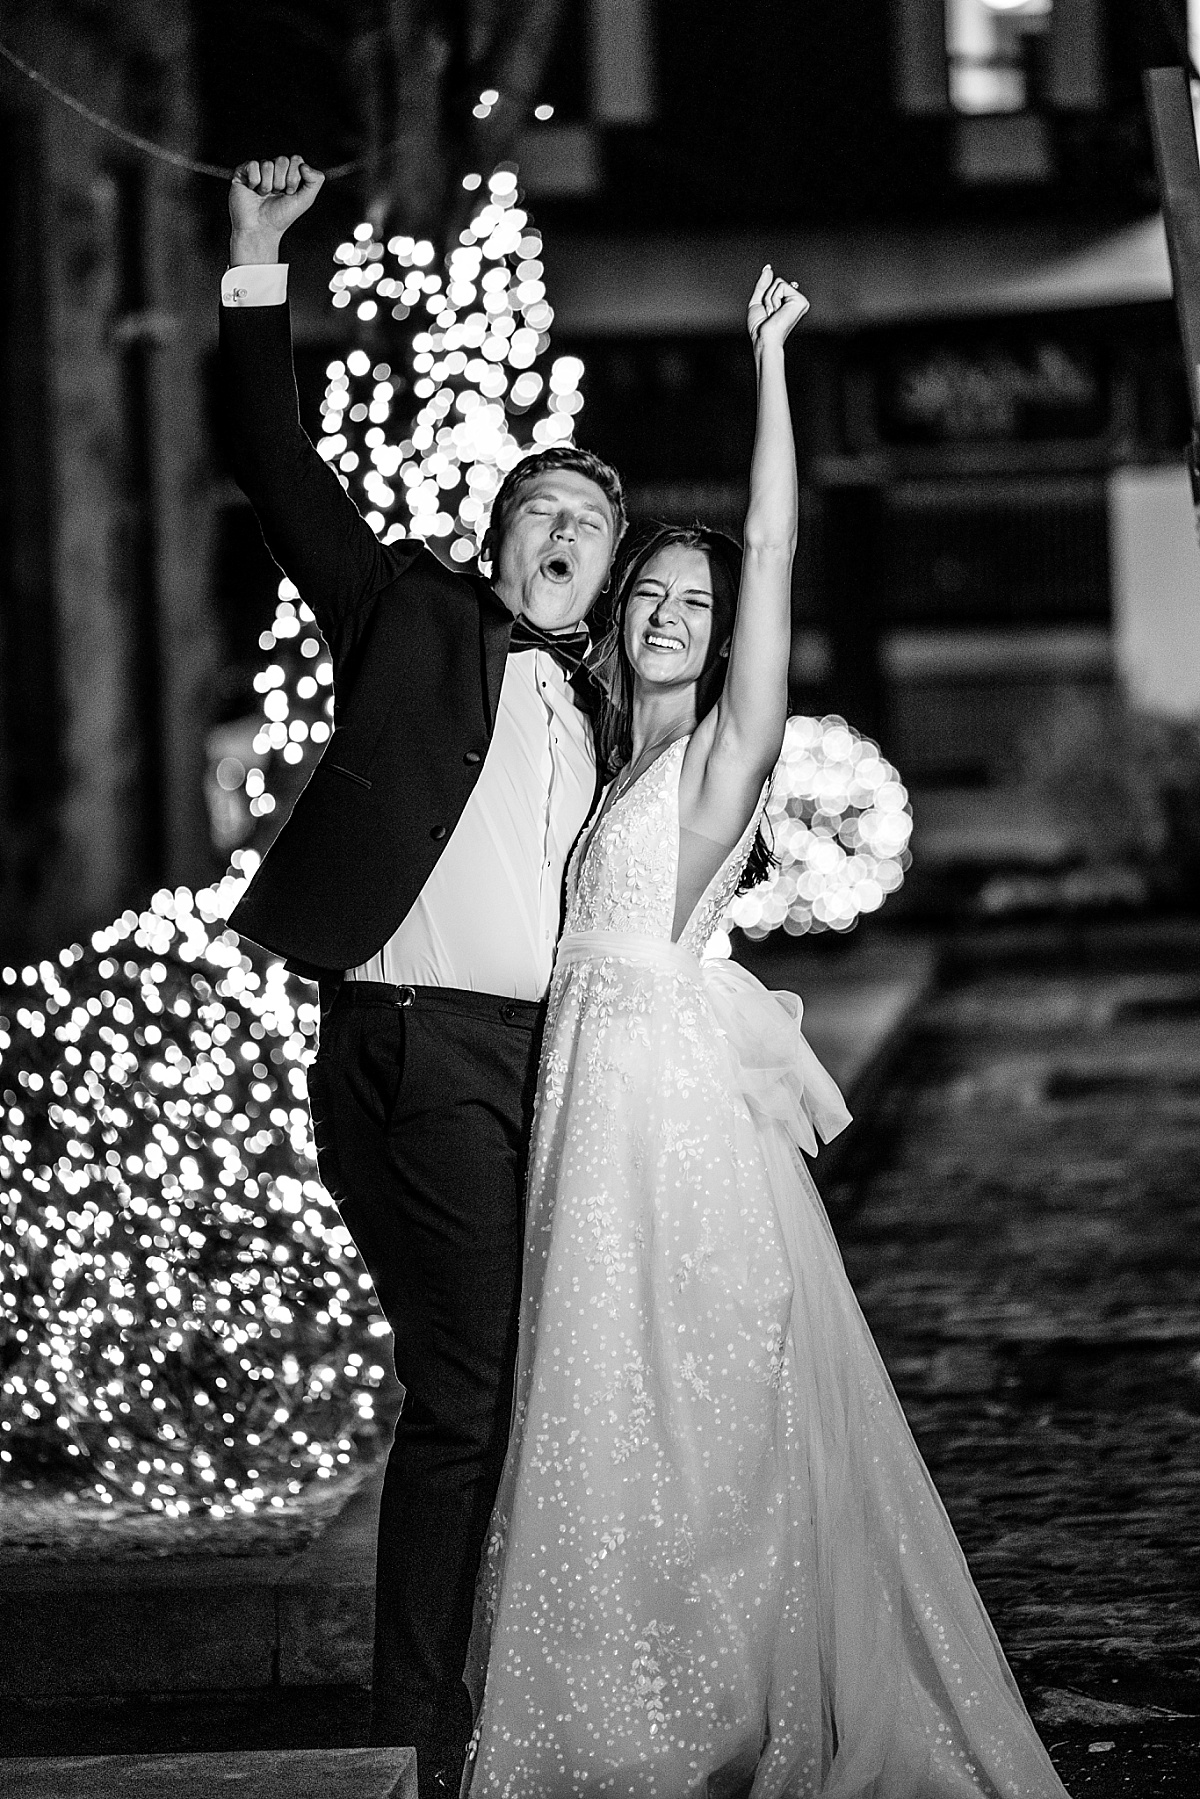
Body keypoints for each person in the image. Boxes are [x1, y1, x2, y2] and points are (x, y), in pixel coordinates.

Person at [462, 270, 1071, 1797]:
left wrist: (773, 368)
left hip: (659, 1118)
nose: (669, 615)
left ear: (727, 636)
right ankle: (609, 1700)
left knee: (694, 1411)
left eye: (697, 606)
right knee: (599, 1415)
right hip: (578, 1104)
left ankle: (708, 1707)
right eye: (650, 598)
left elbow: (779, 542)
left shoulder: (726, 759)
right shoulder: (601, 756)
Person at [219, 155, 626, 1796]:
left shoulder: (607, 714)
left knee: (483, 1375)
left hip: (511, 1057)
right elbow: (272, 459)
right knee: (462, 1371)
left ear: (603, 577)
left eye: (588, 528)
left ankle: (444, 1699)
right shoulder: (405, 613)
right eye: (539, 510)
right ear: (493, 531)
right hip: (383, 1047)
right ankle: (430, 1702)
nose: (560, 537)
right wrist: (258, 259)